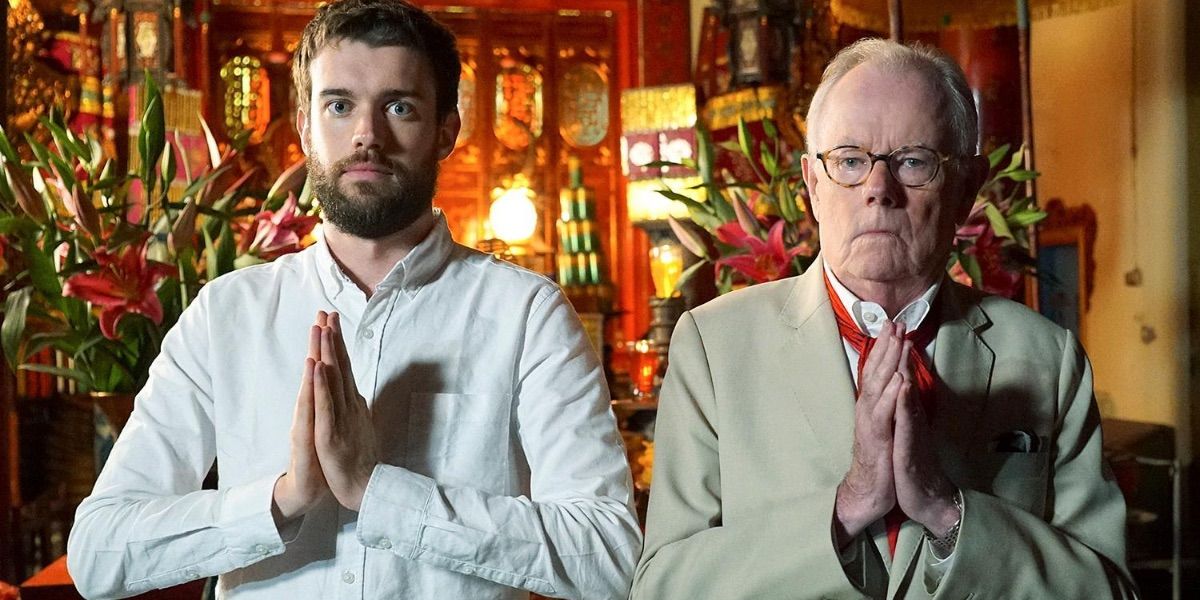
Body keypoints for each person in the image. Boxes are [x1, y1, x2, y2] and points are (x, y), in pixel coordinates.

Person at [66, 1, 641, 598]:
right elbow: (100, 553)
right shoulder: (226, 315)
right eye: (339, 105)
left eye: (400, 106)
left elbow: (608, 555)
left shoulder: (528, 315)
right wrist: (282, 500)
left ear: (447, 130)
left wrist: (377, 491)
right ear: (304, 125)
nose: (367, 134)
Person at [631, 39, 1137, 599]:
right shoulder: (714, 347)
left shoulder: (1048, 358)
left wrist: (949, 513)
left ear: (967, 188)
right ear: (813, 185)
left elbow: (1109, 589)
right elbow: (662, 588)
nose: (878, 190)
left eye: (913, 161)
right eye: (849, 160)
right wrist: (848, 507)